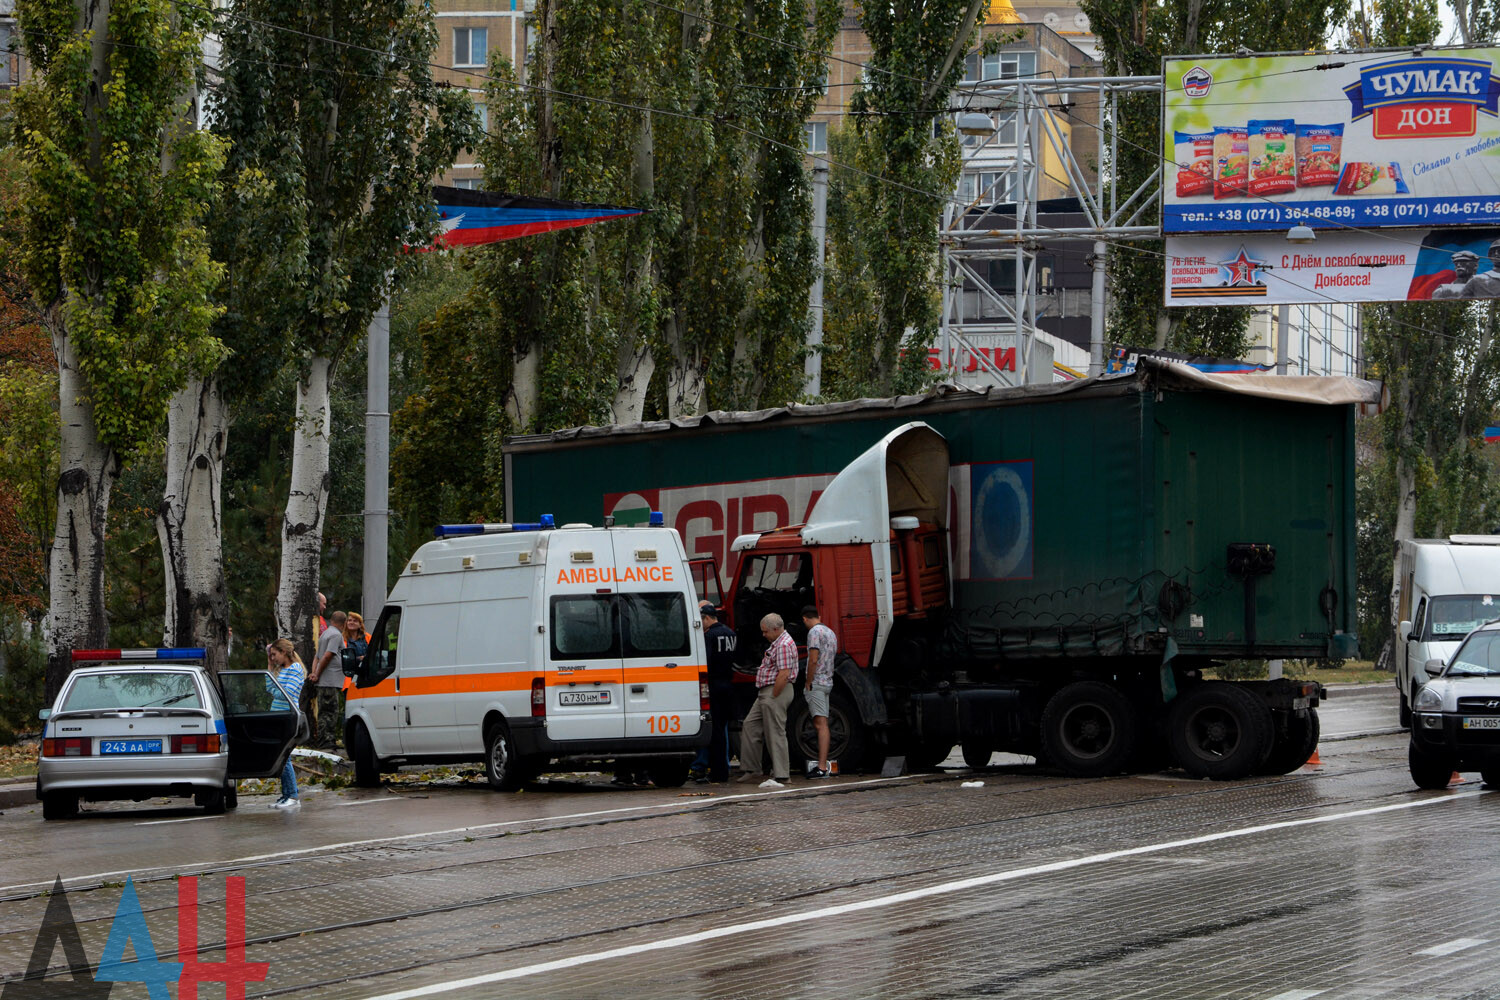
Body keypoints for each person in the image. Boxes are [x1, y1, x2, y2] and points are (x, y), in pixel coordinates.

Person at [736, 613, 796, 788]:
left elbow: (784, 674)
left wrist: (774, 695)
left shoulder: (783, 644)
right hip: (767, 691)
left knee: (775, 731)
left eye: (765, 631)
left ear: (776, 629)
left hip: (774, 691)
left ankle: (782, 775)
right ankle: (752, 768)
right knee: (750, 725)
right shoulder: (778, 643)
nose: (763, 635)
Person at [690, 604, 738, 784]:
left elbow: (706, 662)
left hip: (714, 685)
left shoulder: (709, 636)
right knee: (722, 729)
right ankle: (722, 768)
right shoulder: (731, 634)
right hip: (728, 683)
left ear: (707, 618)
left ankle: (718, 773)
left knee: (715, 731)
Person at [266, 639, 307, 811]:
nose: (273, 658)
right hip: (278, 715)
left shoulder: (295, 669)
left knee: (284, 756)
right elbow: (270, 689)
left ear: (284, 652)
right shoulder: (282, 670)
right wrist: (269, 668)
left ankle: (292, 795)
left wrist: (277, 691)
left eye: (274, 655)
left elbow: (287, 694)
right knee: (281, 756)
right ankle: (286, 794)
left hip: (287, 716)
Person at [801, 606, 838, 778]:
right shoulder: (830, 632)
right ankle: (823, 765)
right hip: (828, 681)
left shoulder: (814, 632)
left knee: (820, 724)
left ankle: (822, 767)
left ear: (804, 619)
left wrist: (808, 681)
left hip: (817, 681)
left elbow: (813, 659)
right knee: (823, 723)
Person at [309, 610, 347, 749]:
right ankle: (327, 742)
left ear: (332, 620)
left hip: (324, 680)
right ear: (343, 624)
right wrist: (317, 674)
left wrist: (314, 673)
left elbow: (317, 657)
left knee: (324, 711)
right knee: (330, 712)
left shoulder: (325, 633)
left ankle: (323, 740)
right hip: (329, 680)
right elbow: (327, 656)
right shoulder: (336, 635)